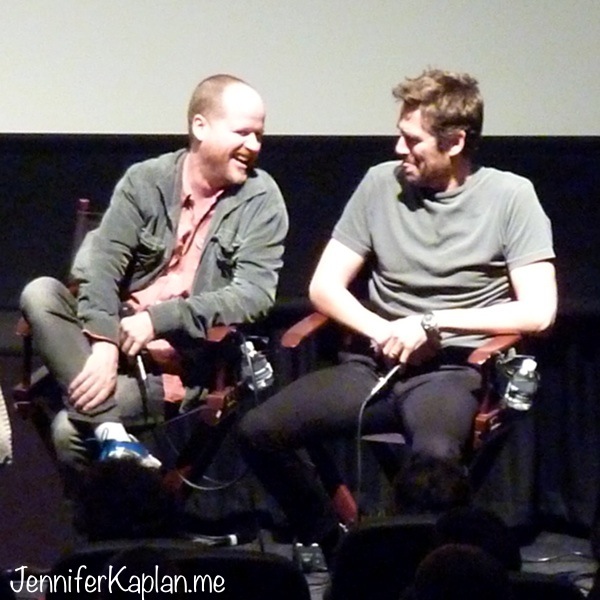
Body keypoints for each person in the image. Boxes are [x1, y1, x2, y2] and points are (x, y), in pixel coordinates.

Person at [237, 68, 557, 562]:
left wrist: (432, 324)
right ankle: (337, 545)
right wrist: (385, 331)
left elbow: (539, 311)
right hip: (373, 364)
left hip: (451, 371)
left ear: (455, 142)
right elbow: (324, 286)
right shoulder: (378, 184)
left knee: (435, 465)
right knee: (259, 431)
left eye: (412, 140)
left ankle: (424, 569)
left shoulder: (511, 196)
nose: (398, 148)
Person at [20, 74, 288, 473]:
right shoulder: (146, 180)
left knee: (68, 430)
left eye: (259, 135)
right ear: (200, 127)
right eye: (242, 133)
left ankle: (115, 482)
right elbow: (100, 264)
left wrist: (158, 319)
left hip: (176, 368)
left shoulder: (262, 200)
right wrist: (105, 343)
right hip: (105, 347)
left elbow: (255, 295)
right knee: (40, 292)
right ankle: (112, 431)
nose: (254, 146)